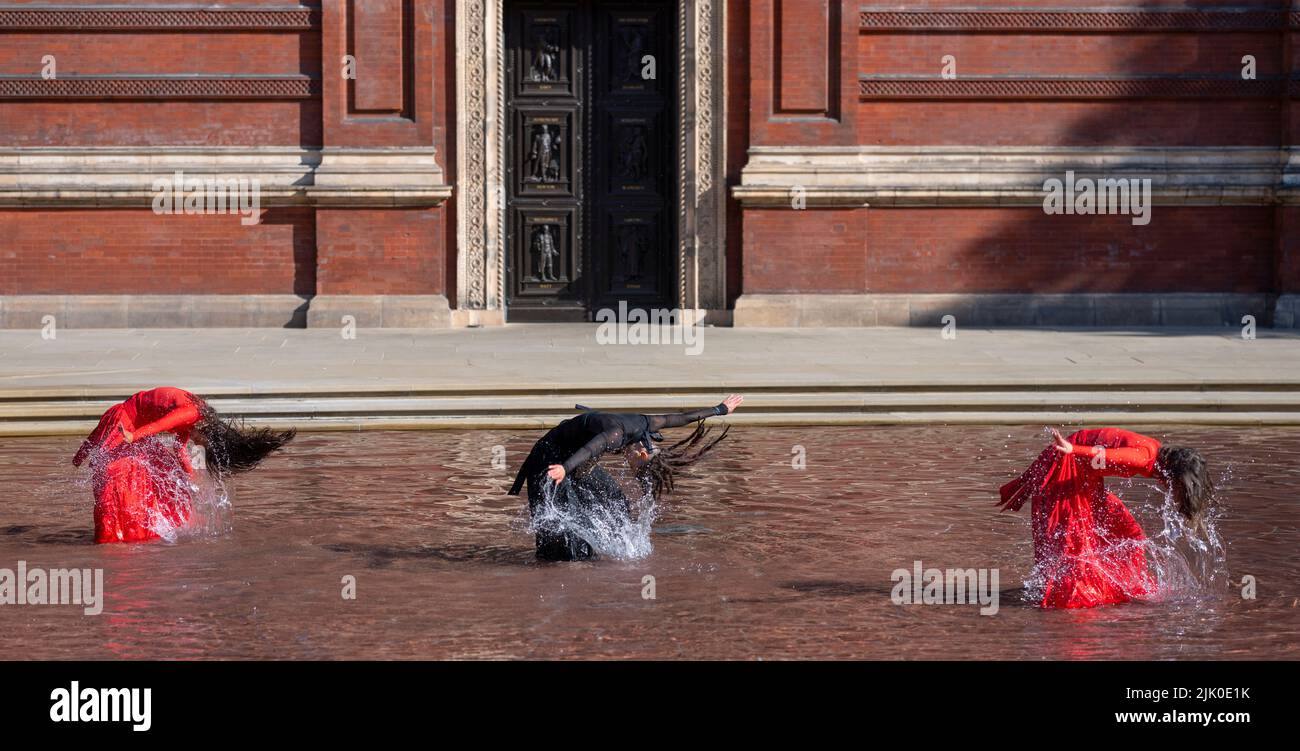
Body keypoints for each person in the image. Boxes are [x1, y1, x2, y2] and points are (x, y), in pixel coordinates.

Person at [998, 427, 1214, 609]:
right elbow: (1106, 456)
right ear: (1175, 476)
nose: (1174, 494)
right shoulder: (1144, 457)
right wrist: (1073, 450)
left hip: (1081, 469)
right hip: (1070, 461)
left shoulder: (1153, 449)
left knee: (1128, 534)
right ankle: (1073, 596)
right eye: (1179, 490)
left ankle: (1112, 586)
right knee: (1077, 541)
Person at [509, 395, 743, 560]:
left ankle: (610, 545)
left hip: (573, 460)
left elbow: (680, 418)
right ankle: (558, 563)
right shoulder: (615, 435)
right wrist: (563, 469)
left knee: (615, 498)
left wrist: (720, 409)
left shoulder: (645, 424)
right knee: (562, 528)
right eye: (637, 469)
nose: (631, 470)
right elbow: (591, 450)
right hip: (551, 459)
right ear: (642, 454)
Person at [72, 387, 295, 544]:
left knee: (166, 479)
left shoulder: (197, 418)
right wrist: (132, 436)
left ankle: (140, 532)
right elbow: (160, 425)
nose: (197, 444)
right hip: (129, 425)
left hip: (136, 431)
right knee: (118, 485)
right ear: (210, 435)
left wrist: (190, 478)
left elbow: (179, 450)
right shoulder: (192, 413)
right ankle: (116, 536)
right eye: (202, 443)